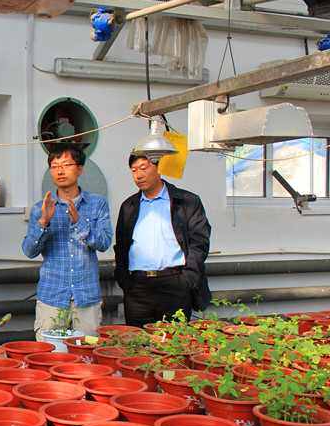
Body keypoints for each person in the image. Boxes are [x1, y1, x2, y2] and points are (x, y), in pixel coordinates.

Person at [22, 144, 112, 339]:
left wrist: (79, 222)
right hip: (52, 297)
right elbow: (29, 250)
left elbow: (105, 243)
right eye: (54, 166)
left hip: (86, 297)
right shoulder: (41, 208)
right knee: (50, 354)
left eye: (66, 165)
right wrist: (44, 222)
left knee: (87, 353)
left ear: (79, 169)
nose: (60, 171)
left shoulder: (97, 203)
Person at [114, 154, 211, 327]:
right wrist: (125, 280)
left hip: (175, 284)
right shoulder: (129, 206)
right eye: (134, 170)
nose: (139, 175)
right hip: (137, 287)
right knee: (138, 339)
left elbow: (200, 242)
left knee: (173, 338)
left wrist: (188, 279)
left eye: (144, 168)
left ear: (159, 168)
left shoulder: (186, 201)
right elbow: (121, 247)